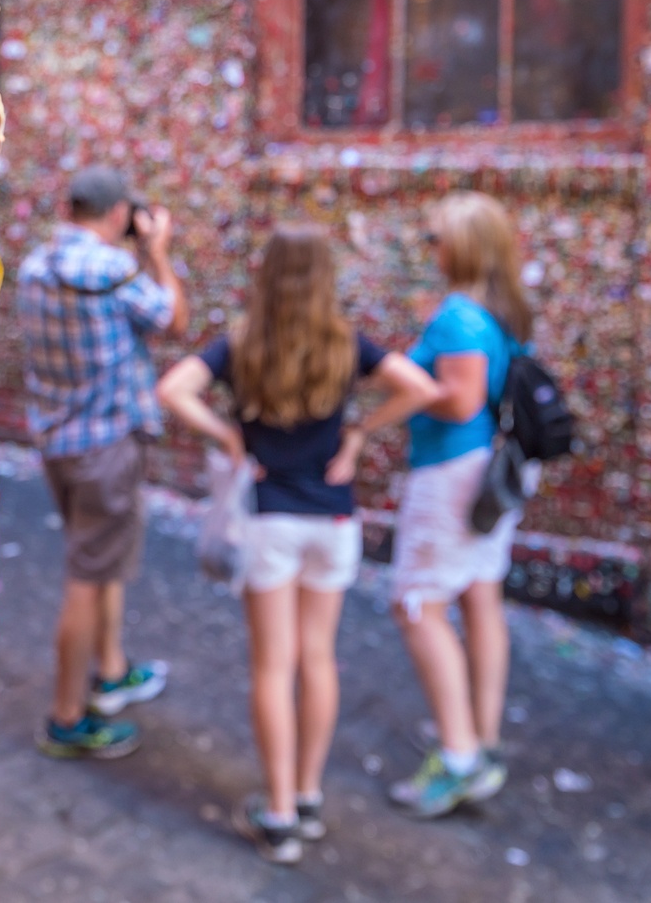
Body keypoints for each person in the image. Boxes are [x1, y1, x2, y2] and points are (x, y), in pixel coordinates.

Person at [156, 226, 439, 863]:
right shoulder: (346, 342)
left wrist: (228, 438)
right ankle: (307, 796)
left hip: (268, 521)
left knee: (271, 667)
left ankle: (279, 813)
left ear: (266, 273)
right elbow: (420, 389)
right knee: (318, 660)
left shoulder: (242, 342)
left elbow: (172, 390)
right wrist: (361, 431)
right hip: (333, 524)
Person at [16, 165, 189, 759]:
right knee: (87, 578)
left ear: (69, 209)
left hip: (60, 442)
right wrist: (159, 254)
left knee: (101, 561)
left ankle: (111, 671)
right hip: (108, 444)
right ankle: (66, 718)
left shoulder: (35, 267)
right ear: (120, 215)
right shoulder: (116, 270)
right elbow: (174, 319)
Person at [385, 193, 533, 818]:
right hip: (494, 472)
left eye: (436, 238)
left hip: (451, 472)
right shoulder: (506, 312)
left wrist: (398, 376)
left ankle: (458, 757)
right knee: (479, 593)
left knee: (418, 604)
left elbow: (460, 402)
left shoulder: (458, 317)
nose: (431, 249)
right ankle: (480, 734)